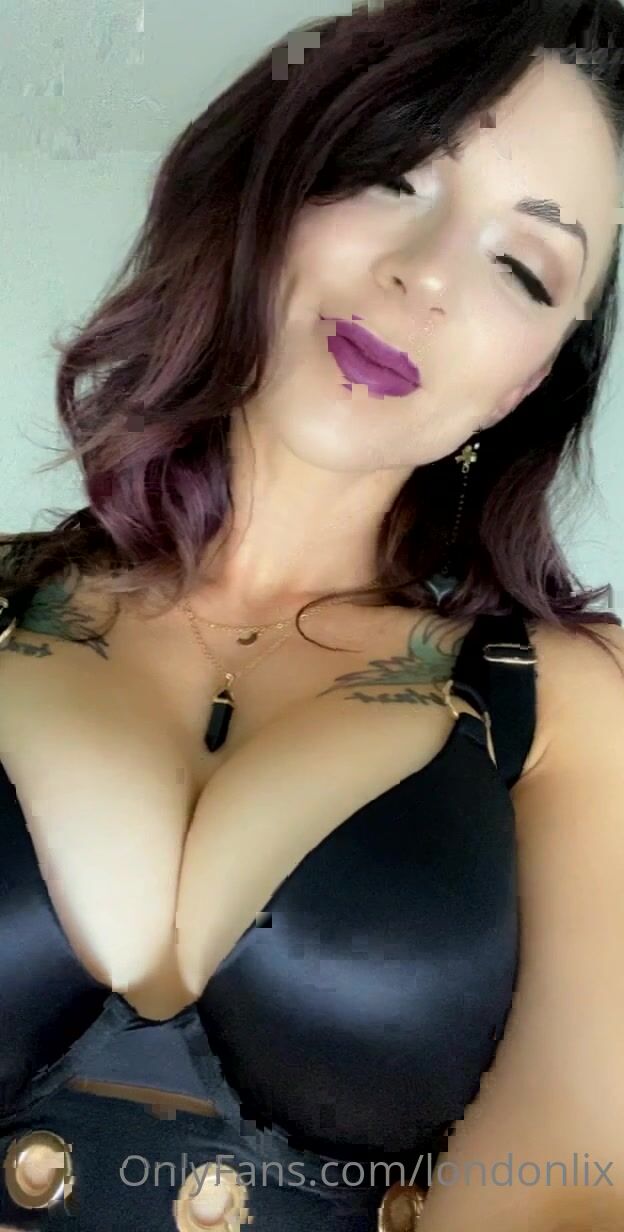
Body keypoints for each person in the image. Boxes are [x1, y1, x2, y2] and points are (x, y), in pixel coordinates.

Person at [1, 1, 624, 1229]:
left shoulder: (565, 707)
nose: (426, 275)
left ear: (528, 379)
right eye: (396, 176)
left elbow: (565, 1187)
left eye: (521, 267)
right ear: (267, 184)